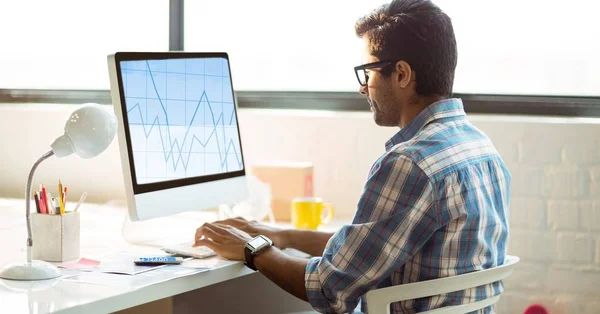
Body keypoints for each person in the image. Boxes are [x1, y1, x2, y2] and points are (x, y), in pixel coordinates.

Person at [193, 0, 510, 313]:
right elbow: (369, 248)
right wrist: (281, 234)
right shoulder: (479, 148)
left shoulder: (411, 162)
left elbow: (329, 289)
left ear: (401, 74)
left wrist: (253, 250)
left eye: (368, 72)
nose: (363, 88)